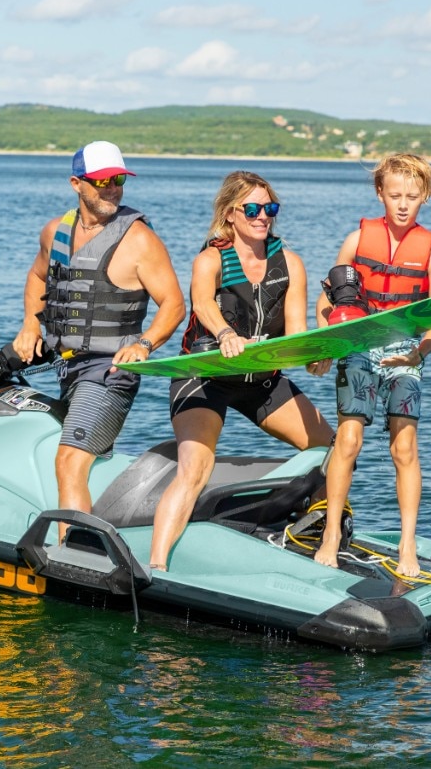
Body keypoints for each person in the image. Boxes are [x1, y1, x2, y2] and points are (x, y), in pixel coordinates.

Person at [148, 171, 336, 571]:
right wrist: (225, 333)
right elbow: (202, 304)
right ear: (231, 213)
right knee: (195, 468)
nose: (262, 216)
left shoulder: (290, 263)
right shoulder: (211, 259)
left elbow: (296, 332)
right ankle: (156, 566)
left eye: (269, 208)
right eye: (252, 209)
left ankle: (324, 532)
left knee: (333, 450)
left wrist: (313, 356)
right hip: (205, 375)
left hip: (259, 380)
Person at [13, 141, 185, 532]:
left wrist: (144, 345)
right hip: (66, 367)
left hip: (111, 369)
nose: (113, 188)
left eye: (119, 179)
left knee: (69, 460)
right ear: (77, 183)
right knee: (64, 451)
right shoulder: (55, 232)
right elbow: (39, 276)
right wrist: (30, 324)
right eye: (103, 180)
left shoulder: (138, 239)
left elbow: (174, 304)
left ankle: (74, 552)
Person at [307, 153, 431, 580]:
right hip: (360, 345)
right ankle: (331, 532)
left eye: (412, 196)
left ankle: (408, 543)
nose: (403, 204)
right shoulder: (356, 240)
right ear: (379, 194)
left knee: (403, 448)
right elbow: (328, 302)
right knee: (348, 441)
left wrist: (419, 353)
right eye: (394, 196)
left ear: (424, 196)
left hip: (405, 350)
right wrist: (326, 345)